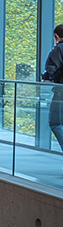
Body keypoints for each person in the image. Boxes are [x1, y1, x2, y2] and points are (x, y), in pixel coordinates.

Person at [43, 24, 63, 158]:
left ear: (56, 36)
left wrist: (47, 77)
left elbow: (52, 70)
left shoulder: (59, 49)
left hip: (61, 92)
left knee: (55, 123)